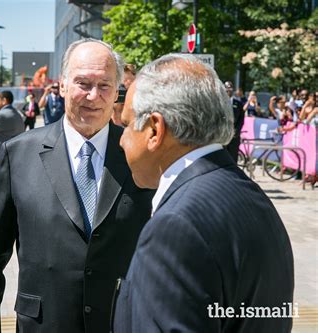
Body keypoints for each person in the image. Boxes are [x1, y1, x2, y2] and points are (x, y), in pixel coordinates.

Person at [0, 38, 154, 333]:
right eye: (83, 83)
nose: (93, 96)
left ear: (118, 91)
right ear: (63, 85)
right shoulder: (18, 154)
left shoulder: (142, 155)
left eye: (105, 86)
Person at [113, 54, 294, 333]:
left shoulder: (174, 227)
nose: (122, 139)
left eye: (126, 125)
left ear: (154, 130)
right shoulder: (253, 196)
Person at [224, 81, 245, 162]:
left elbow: (241, 119)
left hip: (234, 136)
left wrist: (236, 131)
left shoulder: (238, 103)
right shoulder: (220, 103)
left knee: (233, 157)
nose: (228, 91)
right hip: (223, 135)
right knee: (223, 156)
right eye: (227, 89)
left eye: (230, 89)